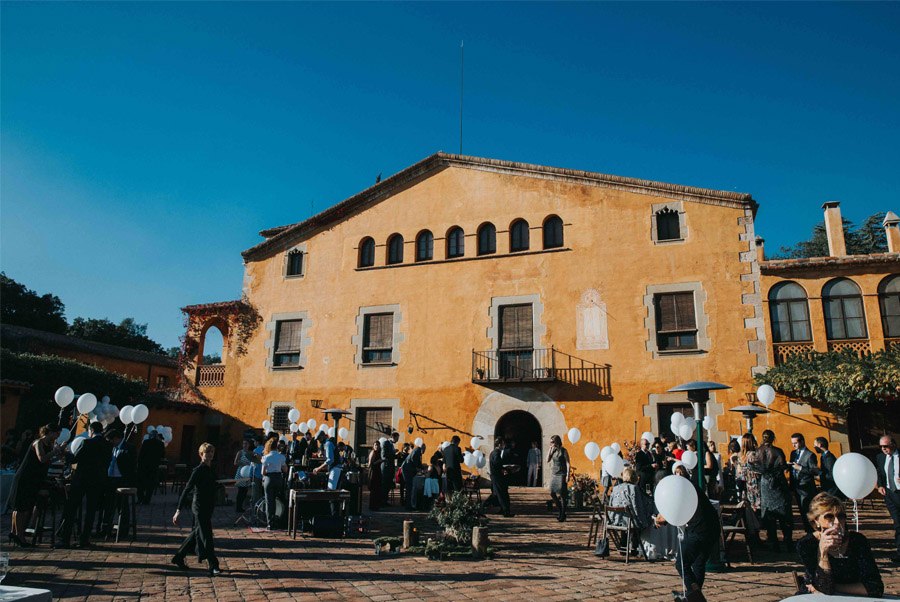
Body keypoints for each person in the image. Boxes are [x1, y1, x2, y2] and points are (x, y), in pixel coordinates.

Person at [796, 492, 884, 597]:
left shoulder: (857, 541)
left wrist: (835, 587)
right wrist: (822, 552)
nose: (837, 521)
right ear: (816, 521)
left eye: (841, 516)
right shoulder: (807, 544)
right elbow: (825, 587)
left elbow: (875, 588)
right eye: (829, 516)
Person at [654, 478, 719, 599]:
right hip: (712, 528)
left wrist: (663, 519)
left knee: (681, 563)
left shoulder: (680, 491)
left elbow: (676, 510)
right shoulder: (689, 487)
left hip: (698, 530)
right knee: (698, 563)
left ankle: (695, 597)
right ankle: (692, 595)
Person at [58, 421, 111, 548]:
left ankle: (65, 539)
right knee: (91, 510)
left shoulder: (87, 442)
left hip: (81, 479)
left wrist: (66, 452)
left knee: (72, 508)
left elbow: (75, 459)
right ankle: (84, 539)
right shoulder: (108, 445)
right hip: (97, 480)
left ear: (91, 431)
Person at [171, 443, 221, 575]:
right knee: (207, 536)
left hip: (209, 506)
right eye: (207, 452)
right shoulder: (197, 470)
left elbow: (214, 485)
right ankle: (213, 564)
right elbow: (187, 489)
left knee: (197, 533)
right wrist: (178, 510)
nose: (210, 454)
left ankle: (179, 557)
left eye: (211, 452)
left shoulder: (211, 469)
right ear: (201, 454)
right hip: (199, 506)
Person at [7, 423, 60, 547]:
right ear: (50, 432)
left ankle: (15, 533)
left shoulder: (49, 444)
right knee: (20, 507)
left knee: (22, 507)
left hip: (33, 478)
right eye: (57, 433)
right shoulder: (38, 442)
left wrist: (58, 452)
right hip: (25, 477)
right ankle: (19, 535)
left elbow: (46, 461)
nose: (57, 436)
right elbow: (41, 458)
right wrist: (55, 452)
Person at [753, 429, 793, 552]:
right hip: (778, 483)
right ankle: (788, 542)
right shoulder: (778, 451)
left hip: (765, 483)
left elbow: (754, 467)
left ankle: (774, 543)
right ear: (773, 438)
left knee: (770, 515)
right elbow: (782, 466)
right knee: (784, 515)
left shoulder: (757, 452)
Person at [876, 435, 900, 563]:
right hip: (890, 495)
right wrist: (880, 486)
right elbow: (879, 472)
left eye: (886, 446)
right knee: (897, 524)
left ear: (893, 444)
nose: (883, 449)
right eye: (881, 446)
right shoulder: (880, 458)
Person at [789, 432, 818, 534]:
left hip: (806, 488)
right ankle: (808, 532)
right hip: (797, 487)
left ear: (802, 441)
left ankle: (811, 533)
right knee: (802, 511)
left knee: (808, 512)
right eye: (792, 443)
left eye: (795, 443)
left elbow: (814, 471)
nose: (794, 445)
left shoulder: (810, 455)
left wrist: (800, 468)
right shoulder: (793, 453)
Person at [261, 438, 287, 530]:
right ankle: (277, 521)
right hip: (278, 479)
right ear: (277, 447)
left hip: (269, 478)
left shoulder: (266, 457)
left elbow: (263, 472)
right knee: (276, 500)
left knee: (269, 501)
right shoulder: (281, 457)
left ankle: (270, 523)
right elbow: (285, 469)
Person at [136, 428, 166, 504]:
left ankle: (140, 499)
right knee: (150, 484)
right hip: (154, 466)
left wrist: (138, 464)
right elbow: (163, 456)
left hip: (144, 466)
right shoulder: (161, 444)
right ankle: (147, 500)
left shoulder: (146, 442)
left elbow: (141, 455)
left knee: (141, 484)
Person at [487, 437, 513, 517]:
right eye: (503, 443)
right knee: (502, 494)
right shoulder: (496, 453)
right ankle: (506, 511)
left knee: (498, 493)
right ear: (499, 444)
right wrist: (504, 468)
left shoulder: (493, 452)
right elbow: (497, 463)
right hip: (498, 477)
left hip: (495, 476)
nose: (504, 445)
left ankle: (502, 509)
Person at [547, 435, 570, 521]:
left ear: (557, 441)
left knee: (562, 494)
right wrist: (550, 449)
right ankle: (560, 510)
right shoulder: (553, 451)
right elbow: (547, 460)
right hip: (554, 474)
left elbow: (568, 463)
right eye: (550, 442)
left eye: (552, 442)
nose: (551, 443)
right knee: (552, 493)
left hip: (562, 474)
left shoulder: (564, 451)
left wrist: (568, 475)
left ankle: (562, 514)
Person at [233, 439, 256, 513]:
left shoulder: (250, 453)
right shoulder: (240, 452)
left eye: (246, 443)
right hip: (240, 473)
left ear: (249, 445)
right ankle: (238, 507)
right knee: (240, 491)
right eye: (243, 444)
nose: (245, 445)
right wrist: (243, 464)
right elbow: (235, 463)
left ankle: (241, 506)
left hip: (247, 474)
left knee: (245, 491)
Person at [400, 442, 425, 510]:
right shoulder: (417, 450)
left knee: (409, 488)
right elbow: (414, 460)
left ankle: (408, 505)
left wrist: (421, 467)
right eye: (424, 449)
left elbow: (417, 462)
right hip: (407, 470)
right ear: (422, 447)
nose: (425, 451)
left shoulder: (417, 450)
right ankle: (408, 506)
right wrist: (421, 467)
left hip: (407, 470)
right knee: (409, 488)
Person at [381, 432, 398, 505]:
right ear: (393, 437)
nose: (397, 440)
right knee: (385, 485)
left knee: (388, 485)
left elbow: (392, 456)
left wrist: (397, 455)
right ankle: (382, 501)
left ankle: (385, 500)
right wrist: (394, 454)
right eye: (397, 438)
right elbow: (384, 455)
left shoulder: (391, 445)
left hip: (390, 467)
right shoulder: (386, 443)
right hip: (386, 467)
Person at [367, 440, 383, 511]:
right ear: (373, 446)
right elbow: (370, 464)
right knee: (374, 489)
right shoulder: (373, 452)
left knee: (377, 489)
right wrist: (378, 461)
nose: (377, 446)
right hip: (373, 472)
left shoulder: (379, 452)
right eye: (375, 445)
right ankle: (373, 506)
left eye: (378, 445)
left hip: (378, 472)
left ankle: (376, 505)